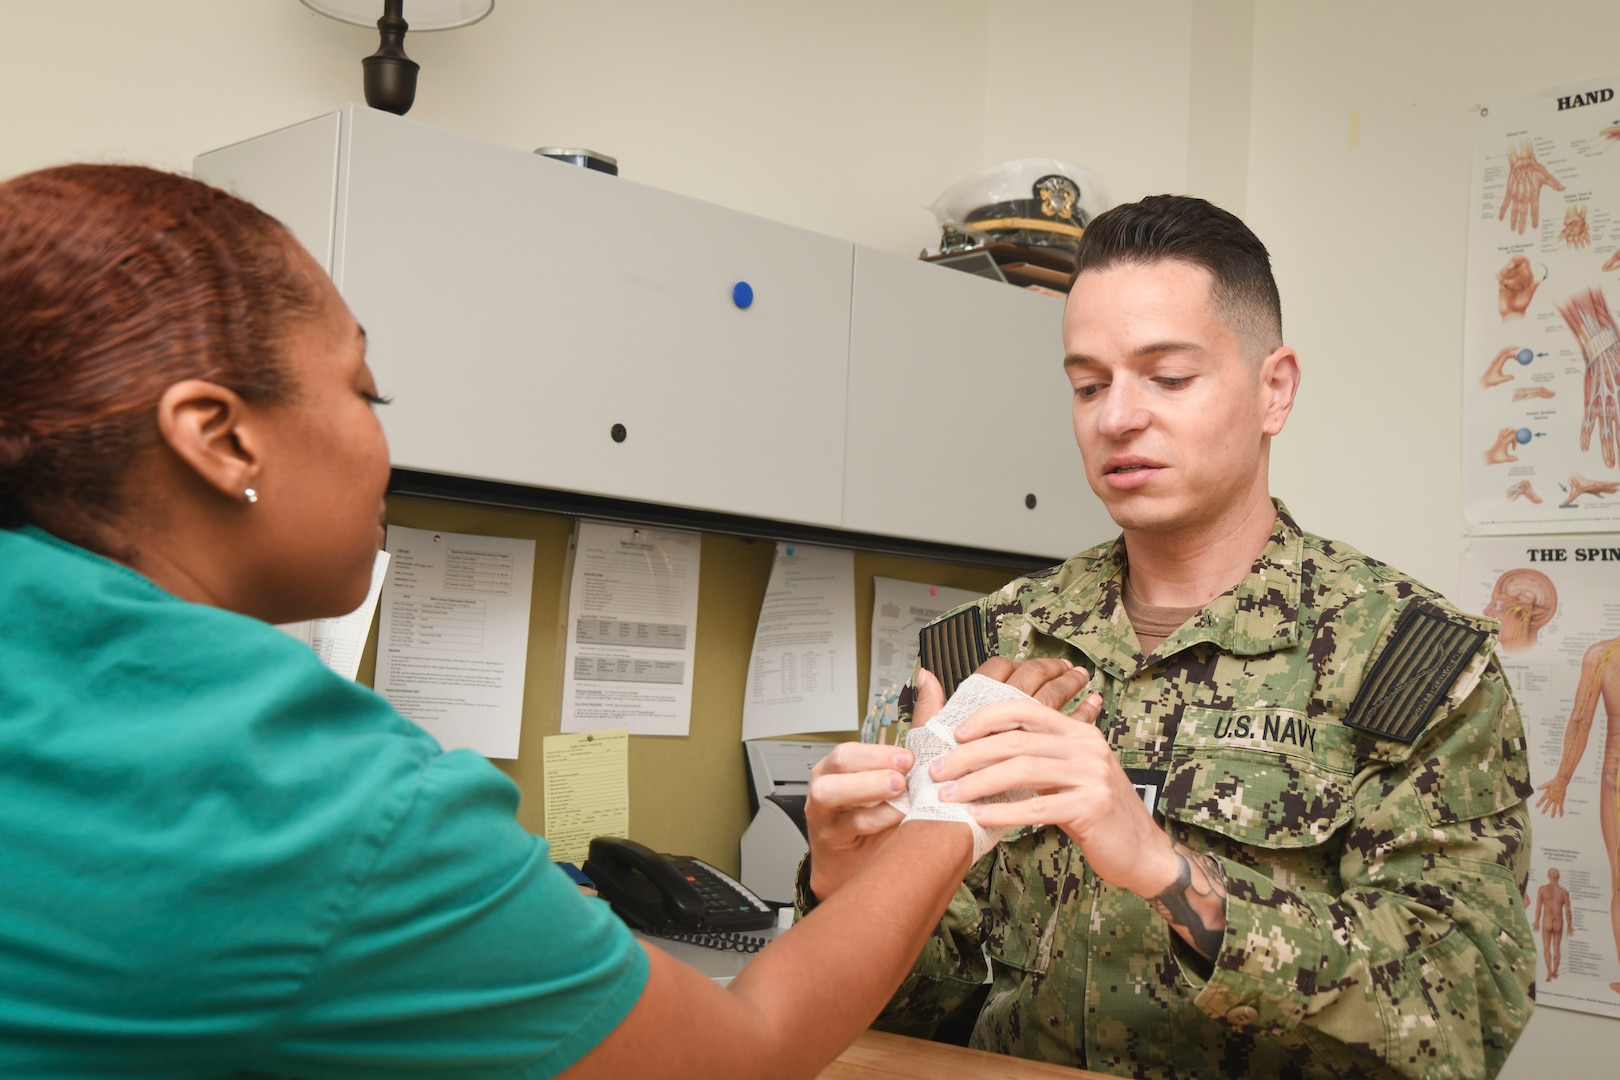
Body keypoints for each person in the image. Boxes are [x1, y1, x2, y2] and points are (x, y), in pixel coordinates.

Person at [0, 163, 1095, 1079]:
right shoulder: (295, 789)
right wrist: (954, 796)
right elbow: (745, 1052)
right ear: (220, 439)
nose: (387, 445)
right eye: (365, 392)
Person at [801, 195, 1536, 1078]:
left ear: (1275, 389)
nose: (1116, 418)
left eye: (1167, 378)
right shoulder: (984, 648)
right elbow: (916, 1011)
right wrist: (846, 886)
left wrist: (1167, 870)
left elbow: (1465, 1009)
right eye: (1087, 384)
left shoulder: (1409, 665)